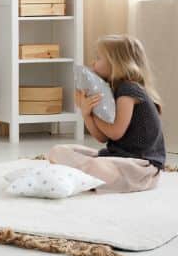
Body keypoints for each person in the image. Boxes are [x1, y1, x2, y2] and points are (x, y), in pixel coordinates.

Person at [47, 35, 165, 193]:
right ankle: (86, 177)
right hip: (117, 158)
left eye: (98, 58)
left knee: (97, 165)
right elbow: (102, 137)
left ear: (116, 63)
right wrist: (86, 114)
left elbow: (115, 133)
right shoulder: (114, 90)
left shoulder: (129, 90)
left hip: (141, 167)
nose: (93, 62)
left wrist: (93, 115)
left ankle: (84, 176)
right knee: (58, 150)